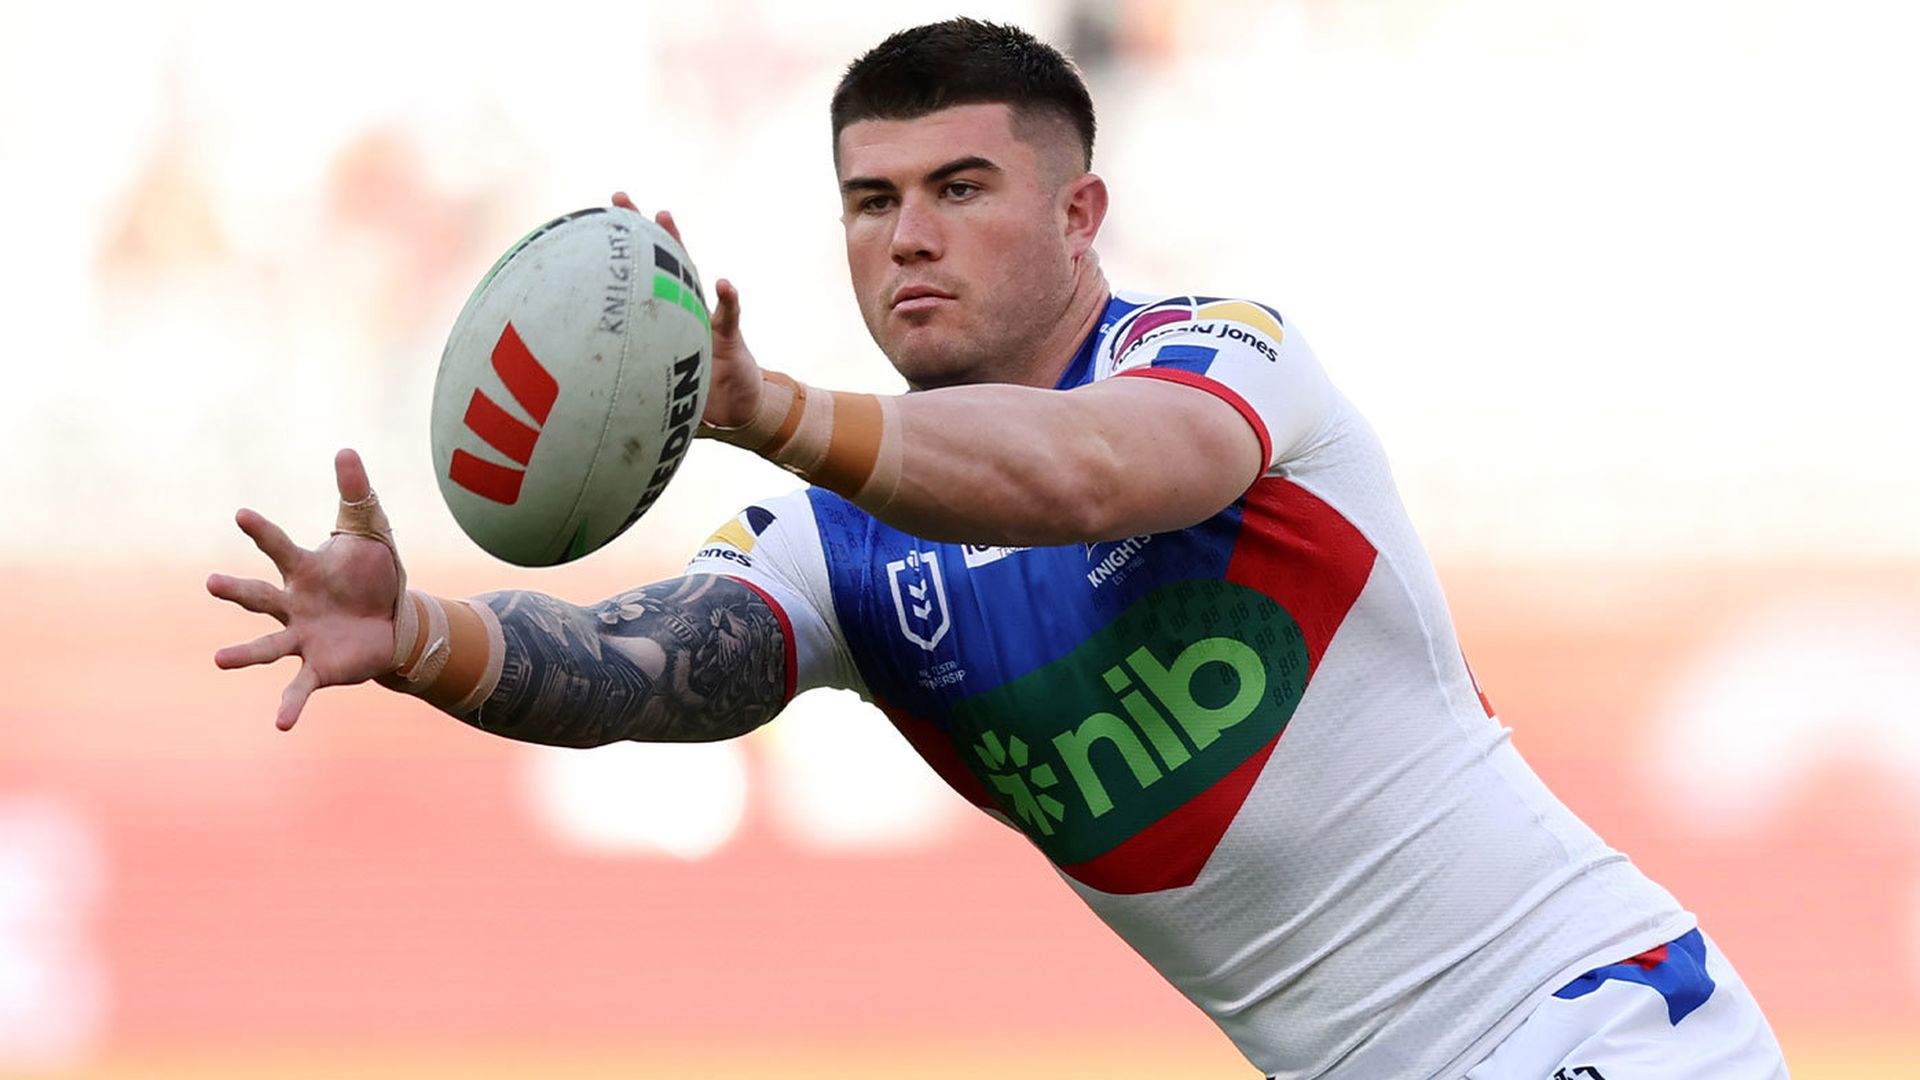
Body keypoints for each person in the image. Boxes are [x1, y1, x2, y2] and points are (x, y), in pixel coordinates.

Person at [207, 18, 1790, 1080]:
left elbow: (1091, 473)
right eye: (871, 200)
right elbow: (650, 668)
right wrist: (424, 639)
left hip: (1593, 1015)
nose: (910, 233)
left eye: (962, 188)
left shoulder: (1218, 355)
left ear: (1081, 213)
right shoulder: (834, 545)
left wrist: (767, 408)